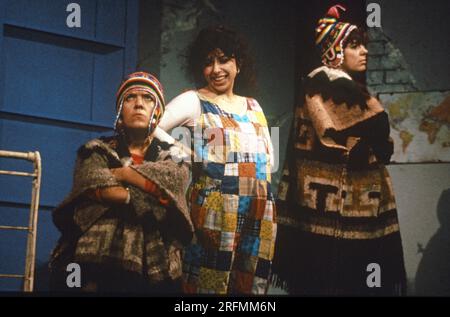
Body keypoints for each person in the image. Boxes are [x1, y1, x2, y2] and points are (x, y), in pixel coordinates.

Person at [272, 5, 407, 295]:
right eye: (354, 46)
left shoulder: (328, 87)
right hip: (335, 212)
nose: (364, 53)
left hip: (340, 206)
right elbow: (379, 124)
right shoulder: (326, 86)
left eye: (363, 46)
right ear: (335, 51)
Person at [156, 25, 277, 294]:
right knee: (209, 284)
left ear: (239, 64)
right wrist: (181, 150)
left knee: (251, 285)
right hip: (215, 209)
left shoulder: (254, 106)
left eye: (224, 60)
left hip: (258, 212)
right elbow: (153, 126)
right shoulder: (194, 100)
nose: (216, 69)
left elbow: (268, 157)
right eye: (208, 62)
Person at [49, 71, 194, 293]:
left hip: (156, 263)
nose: (138, 104)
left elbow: (173, 189)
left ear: (158, 112)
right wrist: (152, 193)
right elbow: (91, 185)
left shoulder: (175, 156)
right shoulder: (95, 149)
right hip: (93, 260)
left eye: (147, 98)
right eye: (130, 98)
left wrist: (123, 175)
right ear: (120, 110)